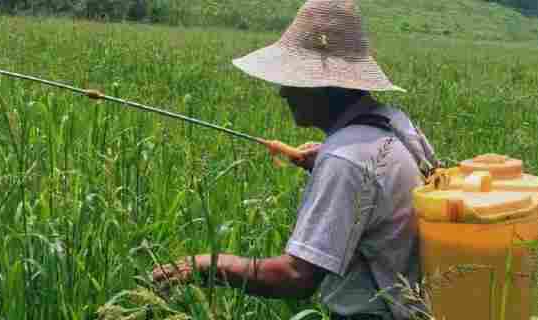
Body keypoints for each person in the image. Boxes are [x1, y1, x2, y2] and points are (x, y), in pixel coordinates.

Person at [151, 1, 439, 319]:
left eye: (294, 78)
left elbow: (296, 277)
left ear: (327, 86)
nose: (283, 92)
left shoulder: (346, 160)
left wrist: (208, 264)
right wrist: (331, 156)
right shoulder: (394, 123)